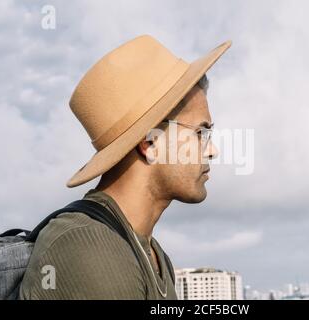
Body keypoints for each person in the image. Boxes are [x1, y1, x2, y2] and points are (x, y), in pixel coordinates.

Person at [19, 34, 231, 299]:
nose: (212, 150)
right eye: (200, 132)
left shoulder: (151, 253)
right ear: (150, 143)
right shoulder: (89, 250)